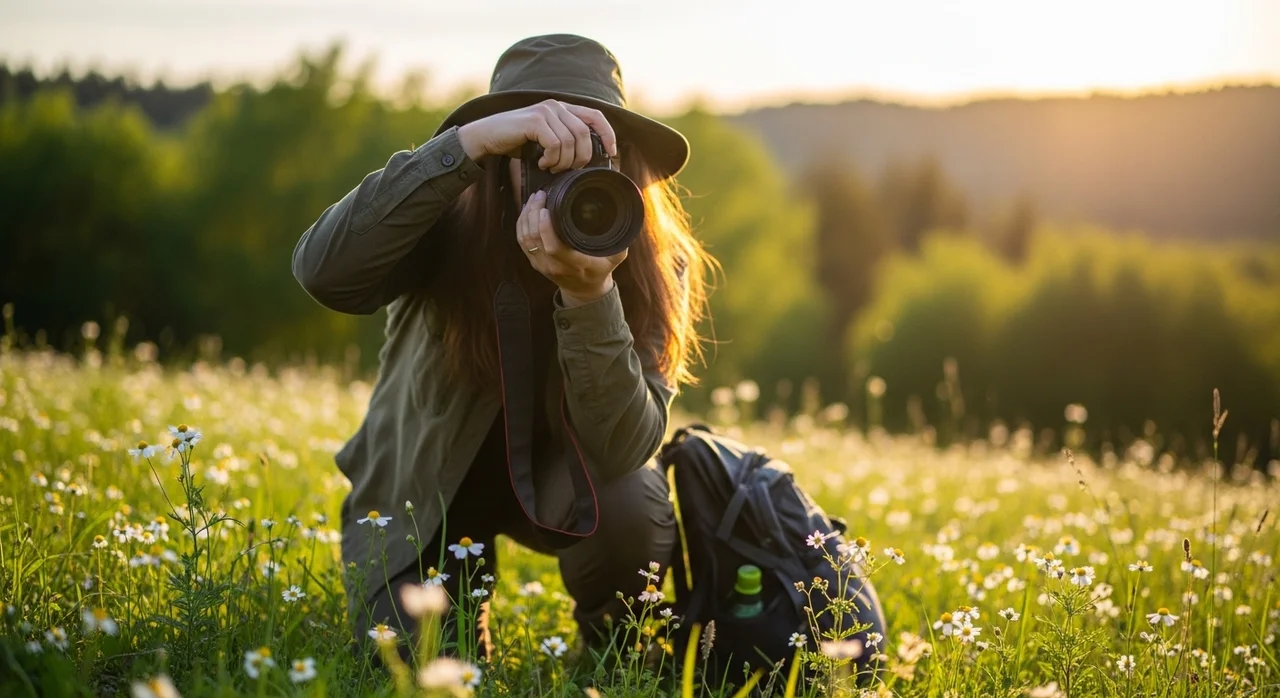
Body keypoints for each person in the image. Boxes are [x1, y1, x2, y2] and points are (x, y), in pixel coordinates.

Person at [291, 34, 712, 660]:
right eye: (540, 149)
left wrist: (591, 296)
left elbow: (626, 446)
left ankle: (614, 651)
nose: (566, 172)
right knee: (413, 663)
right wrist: (462, 147)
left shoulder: (649, 259)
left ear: (630, 167)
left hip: (564, 480)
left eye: (594, 154)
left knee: (631, 500)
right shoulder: (444, 217)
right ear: (504, 153)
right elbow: (323, 272)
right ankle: (459, 612)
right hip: (428, 490)